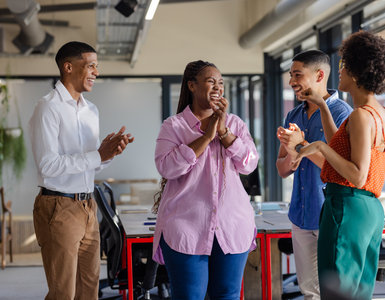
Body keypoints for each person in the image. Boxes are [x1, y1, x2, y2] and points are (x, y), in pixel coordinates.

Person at [292, 31, 385, 299]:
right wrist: (323, 107)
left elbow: (358, 174)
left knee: (337, 292)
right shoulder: (379, 112)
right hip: (367, 210)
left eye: (343, 65)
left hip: (346, 206)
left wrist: (318, 147)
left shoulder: (360, 117)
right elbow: (343, 146)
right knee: (358, 291)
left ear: (356, 72)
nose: (338, 71)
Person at [29, 41, 134, 300]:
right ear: (68, 67)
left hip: (88, 206)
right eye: (90, 66)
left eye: (96, 66)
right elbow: (48, 166)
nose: (96, 72)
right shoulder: (48, 107)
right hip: (58, 206)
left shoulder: (91, 111)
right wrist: (97, 155)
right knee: (63, 292)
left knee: (89, 291)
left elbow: (89, 164)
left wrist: (108, 154)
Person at [152, 60, 259, 300]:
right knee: (189, 296)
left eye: (220, 83)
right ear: (192, 85)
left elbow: (249, 163)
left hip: (232, 225)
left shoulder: (235, 124)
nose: (217, 87)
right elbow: (166, 167)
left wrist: (223, 133)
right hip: (185, 227)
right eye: (211, 81)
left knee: (227, 295)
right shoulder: (174, 126)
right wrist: (207, 135)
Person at [276, 50, 352, 300]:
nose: (291, 82)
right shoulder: (293, 115)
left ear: (320, 75)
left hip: (330, 214)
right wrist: (292, 154)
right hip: (300, 214)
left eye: (297, 75)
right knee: (309, 291)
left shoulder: (342, 114)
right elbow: (282, 169)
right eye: (290, 75)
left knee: (335, 292)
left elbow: (340, 168)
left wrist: (301, 146)